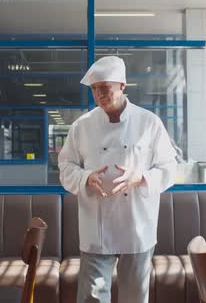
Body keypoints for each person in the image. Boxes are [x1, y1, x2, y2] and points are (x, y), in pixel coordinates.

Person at [58, 56, 177, 303]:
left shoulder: (149, 122)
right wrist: (85, 177)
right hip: (96, 223)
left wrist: (141, 176)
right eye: (94, 89)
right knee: (92, 296)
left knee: (134, 296)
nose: (99, 94)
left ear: (122, 86)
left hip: (137, 223)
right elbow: (66, 165)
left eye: (104, 88)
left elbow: (170, 168)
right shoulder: (82, 126)